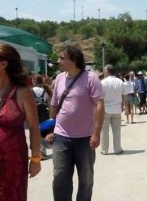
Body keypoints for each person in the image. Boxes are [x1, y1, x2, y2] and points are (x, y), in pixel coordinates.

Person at [46, 45, 104, 201]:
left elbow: (99, 105)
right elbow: (54, 105)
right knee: (60, 178)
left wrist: (96, 133)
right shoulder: (59, 78)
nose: (59, 61)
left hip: (85, 139)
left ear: (74, 59)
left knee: (86, 180)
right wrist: (51, 129)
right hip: (61, 137)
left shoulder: (91, 78)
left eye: (62, 58)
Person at [0, 43, 41, 200]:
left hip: (13, 161)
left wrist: (35, 158)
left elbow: (33, 127)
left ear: (3, 64)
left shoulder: (23, 93)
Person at [100, 64, 124, 155]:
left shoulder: (103, 82)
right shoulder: (120, 82)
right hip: (117, 108)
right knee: (117, 130)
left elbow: (100, 97)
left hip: (106, 109)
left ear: (107, 71)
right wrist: (123, 106)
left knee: (104, 131)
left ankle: (104, 150)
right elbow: (124, 95)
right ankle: (117, 149)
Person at [32, 75, 53, 159]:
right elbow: (49, 103)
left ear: (34, 81)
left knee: (35, 133)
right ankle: (42, 152)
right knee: (43, 132)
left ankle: (37, 152)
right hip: (44, 113)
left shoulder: (31, 90)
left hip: (34, 113)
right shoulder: (46, 90)